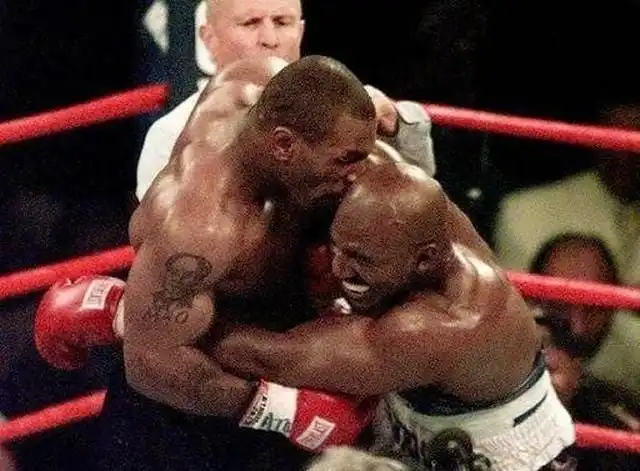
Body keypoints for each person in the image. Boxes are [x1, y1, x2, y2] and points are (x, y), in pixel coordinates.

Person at [36, 54, 394, 471]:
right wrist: (286, 410)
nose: (357, 174)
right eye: (346, 160)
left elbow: (317, 101)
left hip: (255, 323)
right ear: (283, 145)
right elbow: (151, 365)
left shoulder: (257, 79)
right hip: (190, 408)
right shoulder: (201, 228)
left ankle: (124, 311)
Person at [207, 162, 576, 470]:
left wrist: (183, 315)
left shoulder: (438, 326)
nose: (339, 268)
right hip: (422, 433)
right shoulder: (417, 217)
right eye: (338, 248)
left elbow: (269, 358)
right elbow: (361, 158)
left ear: (425, 259)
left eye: (361, 259)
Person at [136, 0, 436, 202]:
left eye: (282, 22)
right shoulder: (172, 135)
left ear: (300, 31)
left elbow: (419, 198)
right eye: (250, 23)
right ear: (209, 38)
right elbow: (171, 254)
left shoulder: (347, 109)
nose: (270, 38)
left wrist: (396, 128)